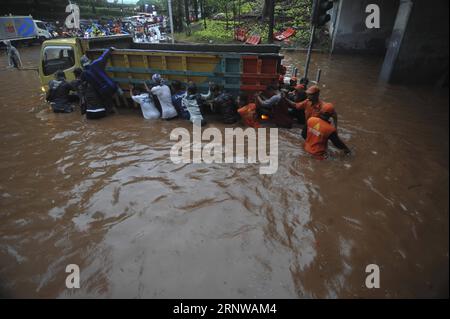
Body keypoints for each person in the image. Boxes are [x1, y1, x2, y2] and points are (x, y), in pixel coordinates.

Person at [80, 47, 126, 113]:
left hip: (103, 92)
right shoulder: (96, 63)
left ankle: (113, 112)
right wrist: (109, 49)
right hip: (112, 86)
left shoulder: (84, 73)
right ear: (89, 60)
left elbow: (83, 84)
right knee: (113, 84)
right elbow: (103, 57)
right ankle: (120, 91)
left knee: (109, 104)